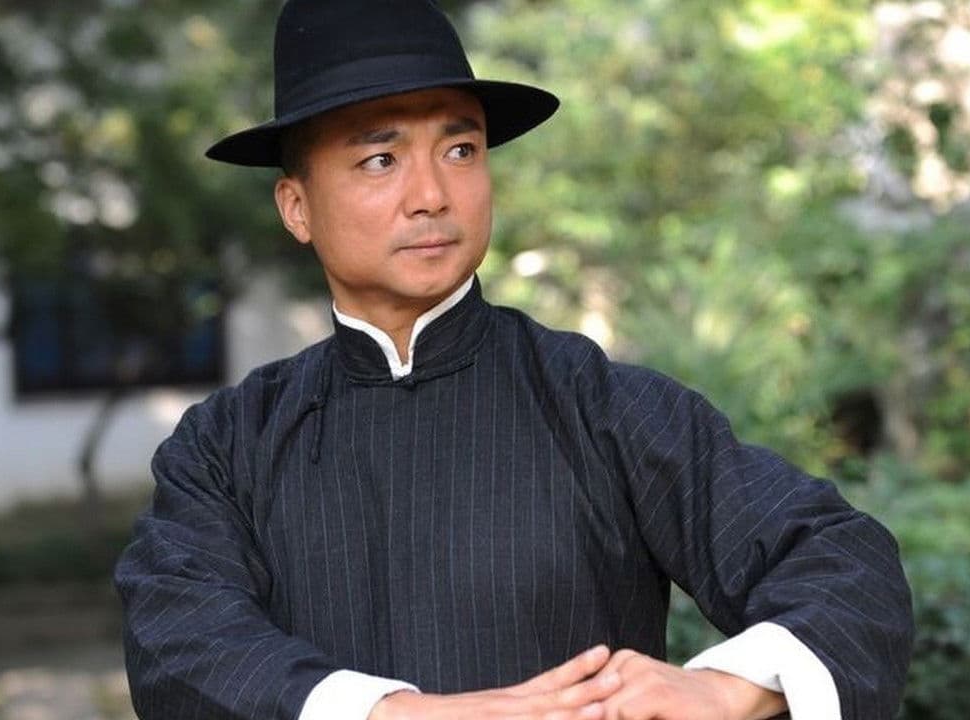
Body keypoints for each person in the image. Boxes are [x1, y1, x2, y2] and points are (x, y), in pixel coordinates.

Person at [113, 1, 914, 719]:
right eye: (381, 160)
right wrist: (397, 714)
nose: (432, 195)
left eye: (461, 149)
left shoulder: (601, 405)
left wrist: (725, 688)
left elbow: (842, 561)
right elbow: (179, 640)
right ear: (297, 207)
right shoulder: (226, 447)